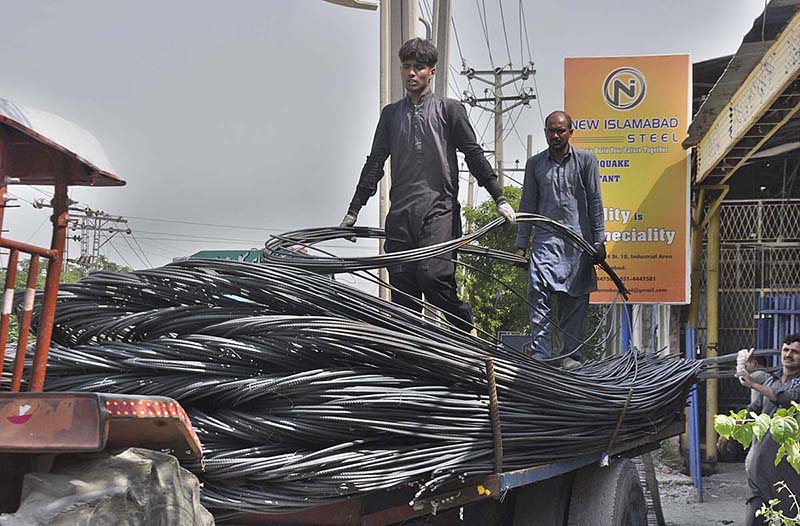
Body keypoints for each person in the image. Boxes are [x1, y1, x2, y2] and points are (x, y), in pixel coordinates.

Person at [339, 38, 515, 333]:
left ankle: (464, 328)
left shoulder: (449, 110)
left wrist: (499, 197)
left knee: (433, 276)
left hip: (439, 210)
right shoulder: (391, 115)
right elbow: (374, 164)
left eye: (418, 67)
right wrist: (353, 211)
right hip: (402, 215)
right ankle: (413, 360)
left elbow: (473, 154)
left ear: (431, 71)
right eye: (406, 67)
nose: (410, 73)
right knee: (404, 293)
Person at [513, 111, 605, 369]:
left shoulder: (586, 161)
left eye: (560, 131)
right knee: (537, 290)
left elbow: (595, 202)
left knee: (574, 299)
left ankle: (570, 355)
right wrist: (521, 246)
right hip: (545, 241)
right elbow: (527, 204)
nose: (555, 135)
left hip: (577, 243)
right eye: (551, 131)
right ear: (545, 133)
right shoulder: (535, 164)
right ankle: (540, 351)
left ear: (570, 132)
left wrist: (599, 241)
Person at [737, 333, 800, 526]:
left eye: (795, 352)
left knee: (788, 517)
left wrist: (754, 383)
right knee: (755, 519)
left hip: (787, 472)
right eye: (786, 350)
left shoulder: (795, 383)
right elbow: (754, 409)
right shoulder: (771, 380)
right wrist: (728, 433)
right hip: (760, 469)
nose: (789, 355)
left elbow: (788, 398)